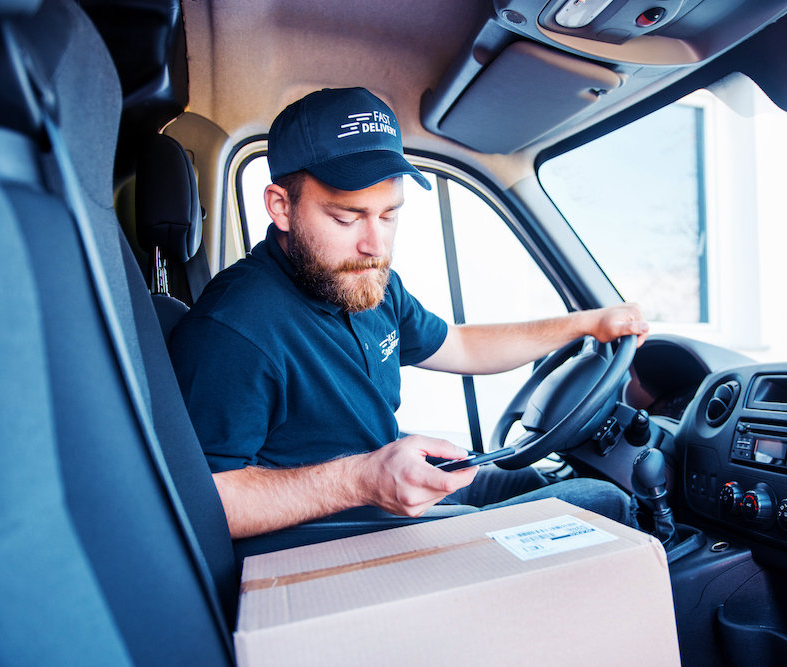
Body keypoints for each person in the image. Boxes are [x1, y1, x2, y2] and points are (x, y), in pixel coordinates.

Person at [169, 87, 650, 539]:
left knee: (536, 480)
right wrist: (361, 480)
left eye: (389, 214)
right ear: (281, 207)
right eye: (346, 216)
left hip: (387, 502)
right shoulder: (234, 330)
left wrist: (586, 323)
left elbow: (459, 345)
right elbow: (202, 503)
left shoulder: (366, 282)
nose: (375, 245)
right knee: (600, 500)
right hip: (341, 540)